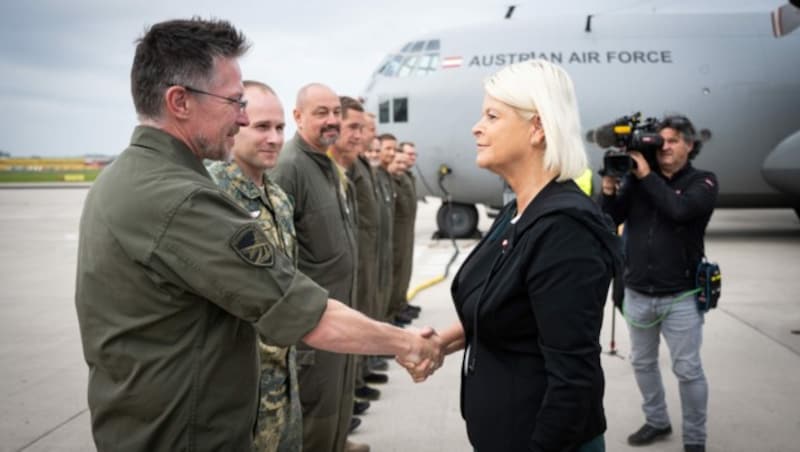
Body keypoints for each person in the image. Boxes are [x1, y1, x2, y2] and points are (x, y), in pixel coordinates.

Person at [75, 18, 441, 452]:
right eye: (234, 101)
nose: (243, 117)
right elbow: (305, 313)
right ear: (180, 102)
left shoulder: (125, 176)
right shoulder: (181, 200)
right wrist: (404, 343)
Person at [419, 60, 622, 452]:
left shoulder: (565, 230)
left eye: (492, 116)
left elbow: (573, 381)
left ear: (538, 128)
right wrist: (443, 342)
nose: (477, 128)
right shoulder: (518, 212)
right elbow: (516, 307)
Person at [272, 84, 388, 452]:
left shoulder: (325, 166)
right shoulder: (290, 168)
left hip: (340, 307)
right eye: (321, 113)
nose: (331, 121)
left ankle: (338, 443)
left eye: (335, 112)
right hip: (314, 319)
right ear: (298, 117)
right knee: (317, 404)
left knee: (339, 391)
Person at [599, 114, 718, 452]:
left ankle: (695, 440)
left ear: (689, 145)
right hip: (637, 291)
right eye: (660, 140)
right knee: (642, 362)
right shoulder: (638, 182)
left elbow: (679, 210)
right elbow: (610, 218)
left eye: (673, 140)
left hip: (681, 294)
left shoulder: (703, 181)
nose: (664, 146)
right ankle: (657, 421)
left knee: (688, 369)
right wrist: (609, 188)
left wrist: (646, 176)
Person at [205, 80, 303, 451]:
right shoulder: (213, 194)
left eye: (280, 128)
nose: (275, 139)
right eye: (262, 127)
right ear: (236, 123)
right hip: (238, 391)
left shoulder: (278, 198)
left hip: (284, 380)